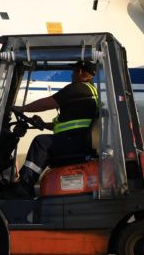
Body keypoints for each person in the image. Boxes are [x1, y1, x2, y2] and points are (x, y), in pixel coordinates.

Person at [9, 60, 100, 197]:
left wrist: (22, 108)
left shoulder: (77, 88)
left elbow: (46, 104)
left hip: (75, 142)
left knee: (41, 143)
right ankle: (26, 183)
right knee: (46, 142)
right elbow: (69, 124)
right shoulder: (91, 90)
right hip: (76, 139)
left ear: (80, 72)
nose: (71, 75)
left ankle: (24, 185)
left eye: (73, 71)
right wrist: (44, 125)